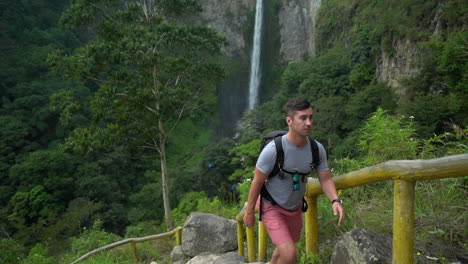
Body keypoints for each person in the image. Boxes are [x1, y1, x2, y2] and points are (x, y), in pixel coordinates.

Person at [243, 98, 345, 264]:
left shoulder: (316, 149)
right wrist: (249, 213)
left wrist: (335, 200)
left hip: (294, 207)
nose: (309, 123)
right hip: (271, 206)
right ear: (289, 121)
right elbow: (257, 181)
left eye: (311, 117)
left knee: (283, 248)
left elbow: (325, 179)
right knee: (289, 253)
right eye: (303, 118)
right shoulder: (273, 150)